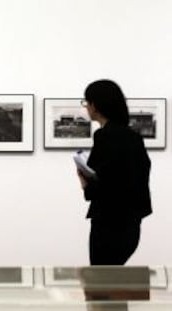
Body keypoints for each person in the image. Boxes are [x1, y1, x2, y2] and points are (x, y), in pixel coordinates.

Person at [77, 79, 152, 265]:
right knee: (116, 280)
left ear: (95, 105)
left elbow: (102, 181)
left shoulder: (104, 136)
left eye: (86, 102)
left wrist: (84, 180)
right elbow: (139, 174)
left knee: (102, 283)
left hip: (108, 222)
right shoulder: (133, 137)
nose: (86, 107)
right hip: (131, 223)